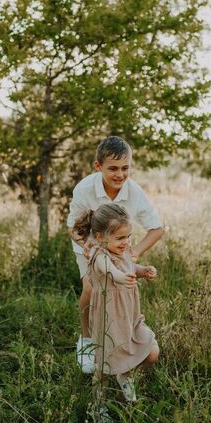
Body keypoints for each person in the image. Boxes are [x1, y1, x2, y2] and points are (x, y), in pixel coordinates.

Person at [67, 136, 164, 373]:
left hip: (121, 249)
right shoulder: (84, 189)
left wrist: (135, 252)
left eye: (125, 168)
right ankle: (88, 340)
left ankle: (122, 339)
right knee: (92, 289)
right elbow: (72, 228)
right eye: (113, 169)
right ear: (98, 166)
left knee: (118, 293)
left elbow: (157, 228)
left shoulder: (134, 192)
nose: (119, 174)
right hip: (89, 246)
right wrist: (94, 250)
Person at [73, 203, 159, 402]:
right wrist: (120, 277)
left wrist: (143, 271)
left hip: (129, 317)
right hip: (109, 321)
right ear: (100, 236)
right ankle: (99, 408)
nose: (126, 242)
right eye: (120, 238)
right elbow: (109, 270)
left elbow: (129, 265)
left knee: (151, 351)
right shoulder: (98, 255)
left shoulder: (123, 250)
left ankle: (124, 374)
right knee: (103, 368)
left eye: (129, 236)